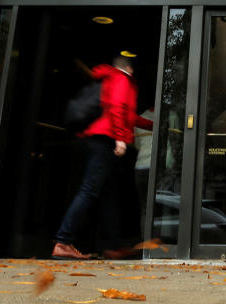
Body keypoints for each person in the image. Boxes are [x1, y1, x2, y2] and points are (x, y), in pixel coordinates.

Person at [52, 54, 153, 260]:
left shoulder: (109, 78)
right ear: (129, 68)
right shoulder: (122, 79)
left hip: (98, 138)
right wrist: (120, 138)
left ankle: (113, 246)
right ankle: (63, 241)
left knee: (109, 194)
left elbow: (129, 117)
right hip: (105, 139)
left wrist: (154, 126)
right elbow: (117, 107)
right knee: (90, 190)